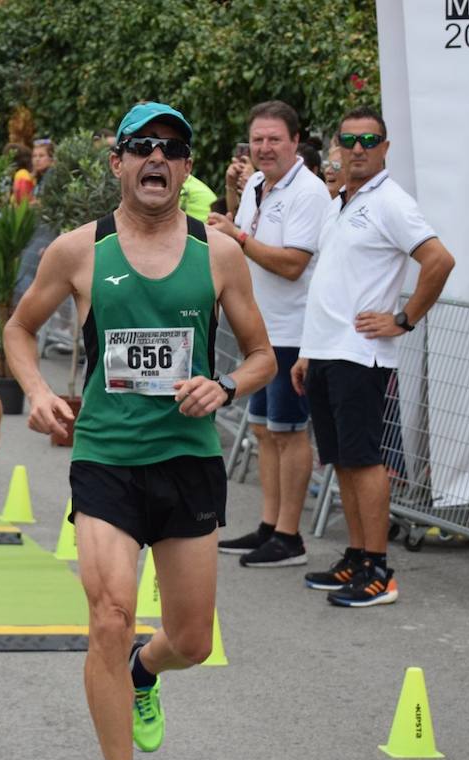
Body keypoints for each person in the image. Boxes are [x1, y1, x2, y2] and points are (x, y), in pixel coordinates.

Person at [4, 101, 275, 760]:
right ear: (118, 163)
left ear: (186, 169)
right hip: (106, 458)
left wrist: (224, 388)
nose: (157, 158)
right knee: (109, 615)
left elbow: (261, 356)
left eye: (173, 148)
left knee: (188, 638)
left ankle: (146, 672)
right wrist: (35, 391)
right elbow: (19, 328)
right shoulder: (78, 250)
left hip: (188, 461)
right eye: (142, 147)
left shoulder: (217, 255)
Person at [292, 106, 456, 607]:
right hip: (325, 352)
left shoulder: (391, 202)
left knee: (365, 463)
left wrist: (404, 319)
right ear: (338, 145)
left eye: (370, 140)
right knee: (341, 459)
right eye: (350, 139)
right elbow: (330, 282)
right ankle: (358, 557)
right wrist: (306, 352)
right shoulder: (341, 199)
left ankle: (380, 572)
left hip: (360, 355)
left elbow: (439, 260)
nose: (358, 148)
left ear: (385, 148)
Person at [206, 100, 331, 568]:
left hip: (292, 332)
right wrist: (232, 209)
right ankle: (269, 524)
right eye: (257, 139)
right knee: (261, 429)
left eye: (274, 138)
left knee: (288, 431)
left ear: (296, 141)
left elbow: (293, 264)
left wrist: (236, 237)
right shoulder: (258, 183)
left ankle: (290, 536)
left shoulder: (310, 192)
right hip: (259, 330)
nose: (264, 147)